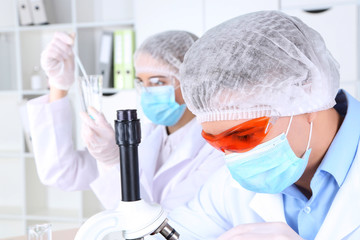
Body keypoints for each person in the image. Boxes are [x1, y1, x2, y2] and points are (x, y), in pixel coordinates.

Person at [161, 11, 360, 240]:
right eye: (218, 143)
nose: (235, 158)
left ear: (306, 95)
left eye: (244, 136)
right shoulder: (227, 189)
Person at [27, 31, 224, 211]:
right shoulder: (145, 135)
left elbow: (163, 228)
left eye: (157, 82)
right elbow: (63, 172)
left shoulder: (217, 150)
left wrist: (114, 162)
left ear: (193, 80)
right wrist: (58, 85)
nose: (146, 91)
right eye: (141, 82)